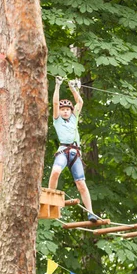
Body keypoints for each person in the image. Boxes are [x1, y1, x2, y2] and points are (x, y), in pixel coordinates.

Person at [48, 77, 99, 222]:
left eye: (67, 110)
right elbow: (55, 103)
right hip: (63, 151)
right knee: (56, 172)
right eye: (62, 110)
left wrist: (72, 87)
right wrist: (57, 85)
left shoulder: (74, 118)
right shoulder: (57, 119)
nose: (65, 112)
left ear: (71, 112)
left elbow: (80, 102)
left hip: (75, 152)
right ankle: (52, 202)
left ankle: (91, 212)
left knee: (81, 184)